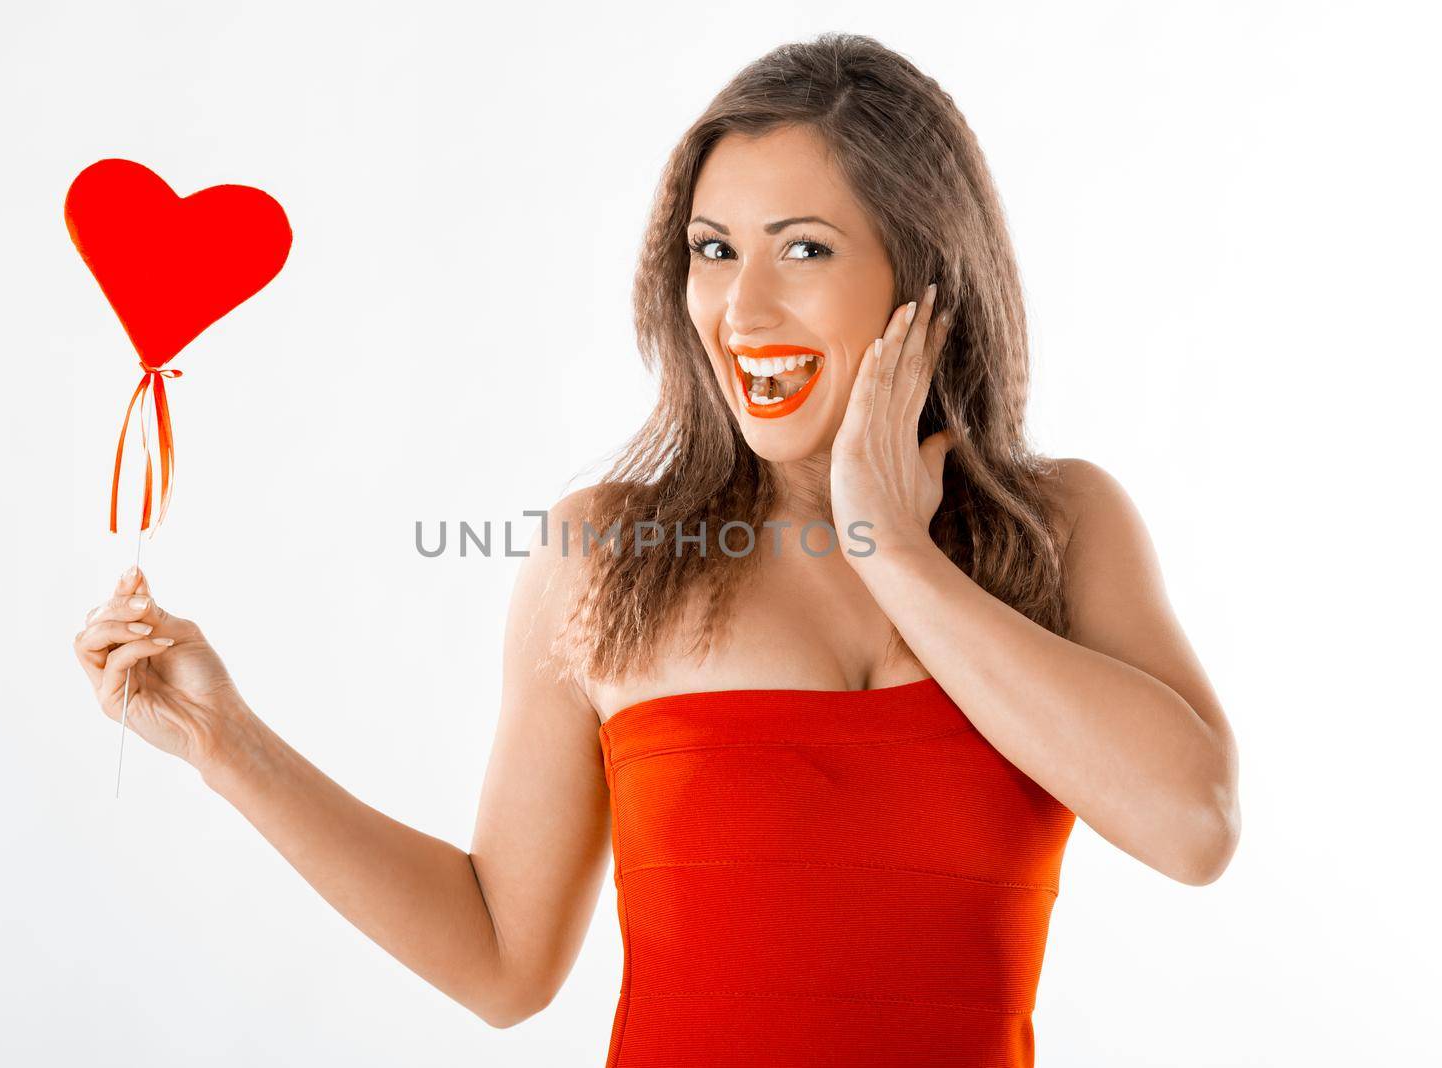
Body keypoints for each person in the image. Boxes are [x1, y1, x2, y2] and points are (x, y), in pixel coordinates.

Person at [72, 32, 1240, 1066]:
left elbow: (1192, 830)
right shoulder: (606, 555)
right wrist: (224, 743)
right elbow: (500, 961)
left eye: (806, 250)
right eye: (714, 251)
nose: (741, 313)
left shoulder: (1061, 527)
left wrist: (899, 556)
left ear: (923, 277)